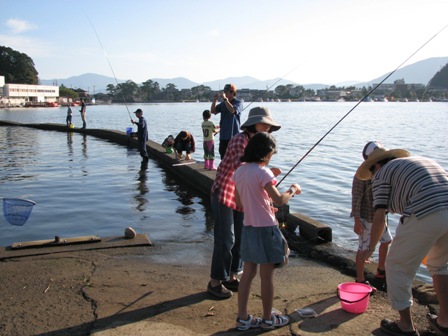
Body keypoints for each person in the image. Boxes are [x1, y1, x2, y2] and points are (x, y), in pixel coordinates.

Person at [357, 142, 448, 336]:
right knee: (439, 265)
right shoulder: (420, 160)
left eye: (372, 173)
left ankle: (405, 326)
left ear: (376, 166)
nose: (373, 178)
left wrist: (371, 248)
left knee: (396, 266)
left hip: (425, 211)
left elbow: (379, 216)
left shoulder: (382, 174)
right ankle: (445, 322)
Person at [207, 106, 281, 299]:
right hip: (225, 192)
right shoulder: (241, 140)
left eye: (268, 125)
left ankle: (232, 276)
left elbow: (253, 171)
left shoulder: (256, 142)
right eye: (264, 123)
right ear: (253, 124)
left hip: (242, 195)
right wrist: (266, 173)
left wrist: (265, 173)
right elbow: (245, 168)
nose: (267, 127)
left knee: (241, 236)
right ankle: (215, 281)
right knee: (226, 238)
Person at [233, 132, 300, 331]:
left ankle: (242, 318)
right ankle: (268, 319)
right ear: (267, 152)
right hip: (266, 230)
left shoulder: (240, 171)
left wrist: (265, 202)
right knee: (267, 275)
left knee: (247, 273)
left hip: (248, 228)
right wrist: (293, 189)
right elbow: (280, 200)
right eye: (272, 153)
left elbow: (239, 203)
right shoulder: (264, 173)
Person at [351, 141, 392, 288]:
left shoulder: (386, 172)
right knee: (363, 248)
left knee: (387, 241)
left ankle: (381, 269)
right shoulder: (361, 175)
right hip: (366, 216)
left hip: (379, 216)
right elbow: (356, 197)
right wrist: (356, 219)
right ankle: (360, 279)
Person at [211, 83, 243, 159]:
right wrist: (215, 100)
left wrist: (225, 99)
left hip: (234, 136)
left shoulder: (238, 103)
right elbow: (213, 111)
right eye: (224, 91)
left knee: (234, 158)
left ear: (232, 93)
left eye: (226, 91)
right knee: (223, 157)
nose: (224, 93)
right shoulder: (223, 104)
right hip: (223, 136)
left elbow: (232, 110)